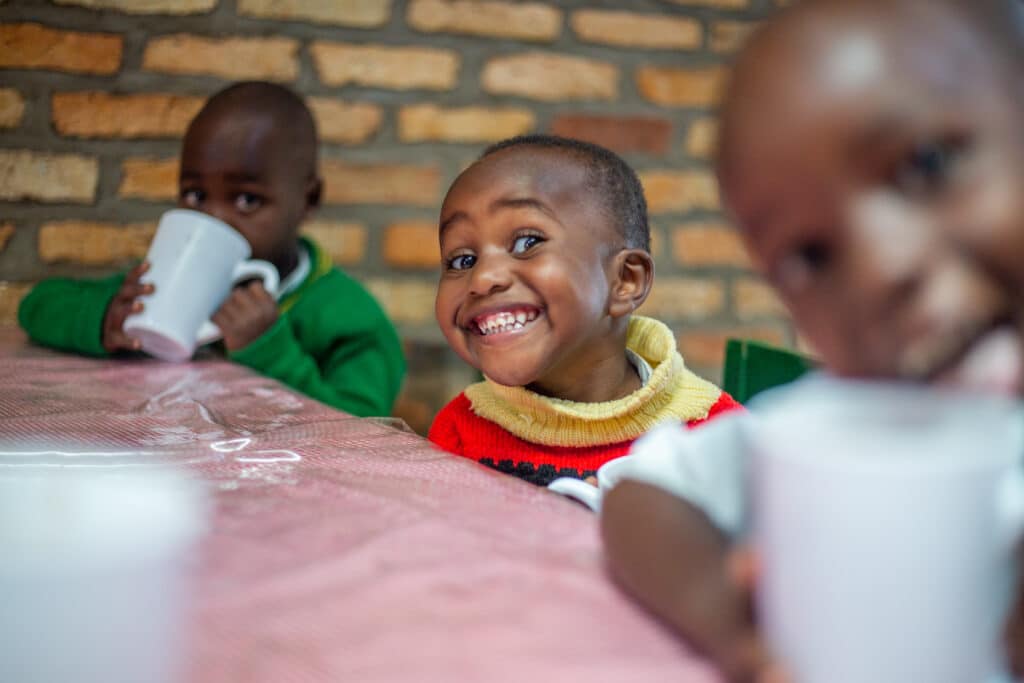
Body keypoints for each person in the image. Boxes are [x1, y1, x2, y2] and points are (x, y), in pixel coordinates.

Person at [600, 0, 1024, 681]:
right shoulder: (847, 434)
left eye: (927, 164)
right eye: (810, 258)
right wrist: (731, 619)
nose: (884, 266)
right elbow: (641, 496)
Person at [18, 81, 405, 417]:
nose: (214, 219)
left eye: (247, 201)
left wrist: (270, 350)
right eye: (196, 195)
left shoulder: (349, 317)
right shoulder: (173, 281)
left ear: (308, 200)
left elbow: (363, 426)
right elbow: (37, 305)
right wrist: (106, 318)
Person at [427, 135, 741, 485]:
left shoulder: (715, 437)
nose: (482, 278)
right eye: (462, 259)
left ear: (625, 280)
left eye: (527, 242)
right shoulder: (459, 430)